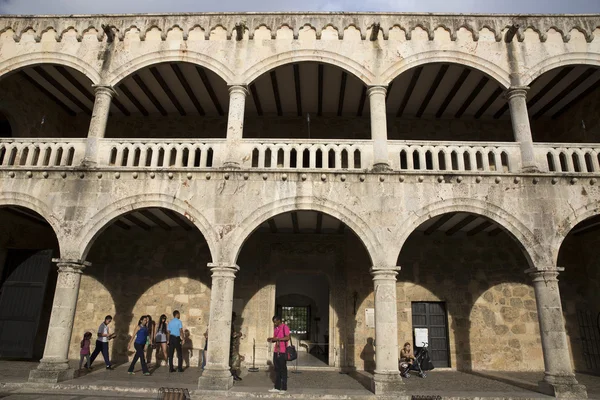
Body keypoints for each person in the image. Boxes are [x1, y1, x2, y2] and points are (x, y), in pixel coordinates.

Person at [267, 315, 290, 393]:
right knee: (277, 369)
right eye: (274, 321)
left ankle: (284, 388)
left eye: (276, 321)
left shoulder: (285, 327)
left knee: (283, 369)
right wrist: (271, 339)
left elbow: (287, 337)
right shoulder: (276, 328)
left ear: (279, 320)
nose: (275, 323)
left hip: (283, 351)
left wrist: (278, 339)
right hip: (276, 351)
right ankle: (277, 387)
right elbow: (275, 338)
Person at [230, 313, 243, 381]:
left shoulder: (231, 324)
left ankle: (233, 373)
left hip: (232, 345)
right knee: (236, 358)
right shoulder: (229, 324)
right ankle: (234, 374)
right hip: (230, 345)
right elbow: (232, 334)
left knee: (234, 359)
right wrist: (239, 334)